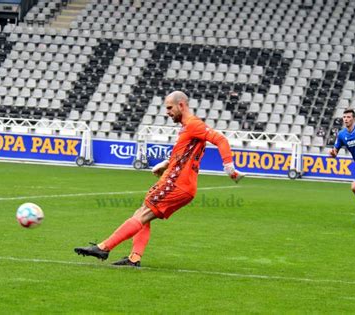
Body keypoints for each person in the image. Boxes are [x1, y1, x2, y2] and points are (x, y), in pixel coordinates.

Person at [74, 91, 245, 266]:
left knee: (144, 213)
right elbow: (184, 154)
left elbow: (221, 139)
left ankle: (104, 247)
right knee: (142, 212)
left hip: (177, 183)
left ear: (181, 105)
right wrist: (165, 164)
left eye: (170, 108)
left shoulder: (194, 125)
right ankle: (134, 258)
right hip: (180, 182)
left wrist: (229, 168)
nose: (167, 112)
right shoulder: (187, 127)